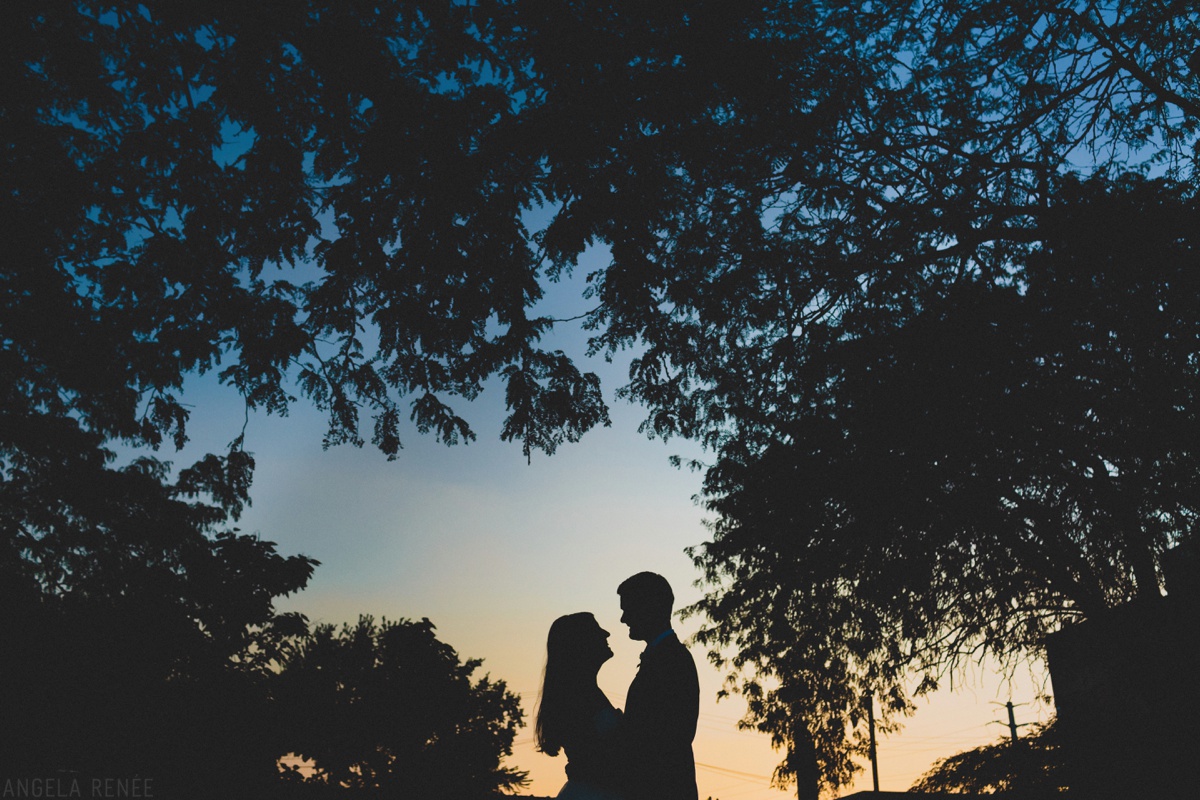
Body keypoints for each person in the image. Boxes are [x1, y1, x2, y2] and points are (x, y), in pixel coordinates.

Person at [617, 571, 699, 800]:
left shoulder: (672, 660)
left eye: (627, 610)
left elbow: (668, 736)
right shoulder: (665, 657)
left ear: (647, 608)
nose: (624, 619)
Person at [536, 612, 625, 799]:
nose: (606, 634)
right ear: (580, 644)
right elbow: (596, 761)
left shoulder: (583, 692)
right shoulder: (578, 697)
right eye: (596, 630)